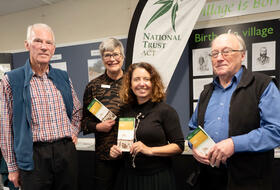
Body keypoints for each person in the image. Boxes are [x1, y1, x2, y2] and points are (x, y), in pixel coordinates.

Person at [188, 32, 280, 190]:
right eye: (215, 53)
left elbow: (275, 131)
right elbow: (193, 127)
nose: (219, 58)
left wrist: (234, 144)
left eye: (226, 51)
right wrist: (194, 146)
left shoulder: (263, 86)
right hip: (209, 179)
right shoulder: (206, 92)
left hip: (249, 181)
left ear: (242, 55)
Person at [0, 23, 81, 190]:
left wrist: (73, 132)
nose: (44, 47)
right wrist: (12, 168)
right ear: (27, 44)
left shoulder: (63, 77)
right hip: (33, 156)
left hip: (65, 154)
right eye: (38, 41)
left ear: (54, 48)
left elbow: (77, 111)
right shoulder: (11, 80)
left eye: (49, 43)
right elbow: (5, 129)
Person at [110, 62, 185, 190]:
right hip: (129, 177)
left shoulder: (166, 111)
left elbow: (179, 146)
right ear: (130, 84)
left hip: (156, 178)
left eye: (146, 79)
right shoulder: (124, 111)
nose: (141, 83)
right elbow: (122, 143)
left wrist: (150, 150)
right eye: (136, 79)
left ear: (153, 83)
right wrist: (114, 151)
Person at [81, 38, 125, 190]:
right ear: (102, 58)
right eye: (107, 55)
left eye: (116, 54)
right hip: (104, 156)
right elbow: (83, 122)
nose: (112, 59)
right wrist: (98, 127)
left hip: (130, 154)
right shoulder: (93, 86)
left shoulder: (133, 83)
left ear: (123, 57)